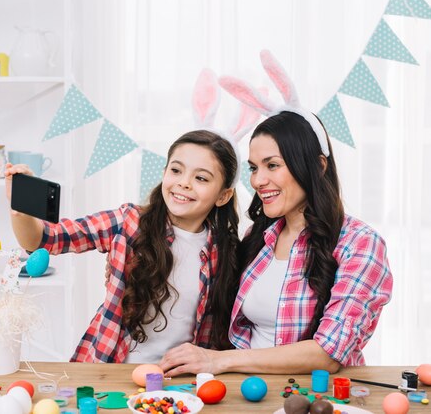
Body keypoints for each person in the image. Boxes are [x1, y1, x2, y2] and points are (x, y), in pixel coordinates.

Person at [160, 111, 393, 376]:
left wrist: (219, 361)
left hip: (316, 398)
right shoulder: (257, 238)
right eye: (254, 168)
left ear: (317, 166)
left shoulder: (360, 243)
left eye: (272, 165)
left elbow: (329, 353)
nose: (258, 180)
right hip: (247, 392)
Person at [5, 130, 240, 363]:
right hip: (112, 369)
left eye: (201, 178)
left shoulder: (224, 250)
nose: (183, 183)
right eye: (176, 170)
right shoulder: (128, 222)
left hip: (179, 381)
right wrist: (21, 211)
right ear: (164, 173)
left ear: (223, 195)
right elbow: (47, 239)